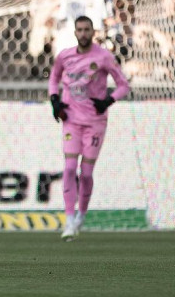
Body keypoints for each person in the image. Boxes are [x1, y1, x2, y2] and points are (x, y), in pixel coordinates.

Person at [48, 16, 130, 241]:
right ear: (75, 32)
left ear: (93, 32)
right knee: (68, 168)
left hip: (95, 121)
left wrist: (107, 100)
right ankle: (68, 220)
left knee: (86, 173)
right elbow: (53, 79)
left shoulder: (103, 57)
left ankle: (81, 214)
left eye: (87, 30)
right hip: (71, 120)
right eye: (79, 30)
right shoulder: (65, 56)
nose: (83, 33)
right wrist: (54, 100)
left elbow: (124, 85)